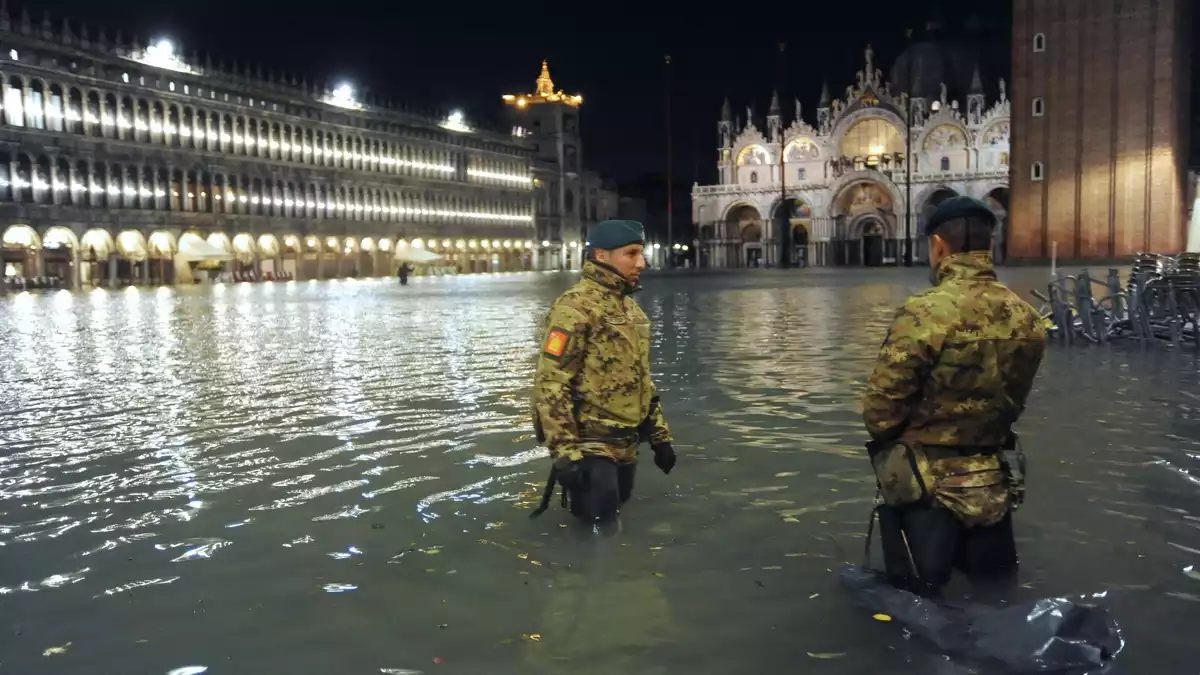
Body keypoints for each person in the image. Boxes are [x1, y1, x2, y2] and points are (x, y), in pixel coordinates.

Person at [862, 195, 1047, 598]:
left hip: (927, 494)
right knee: (995, 597)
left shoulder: (923, 312)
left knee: (918, 609)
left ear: (938, 246)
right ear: (990, 246)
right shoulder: (1026, 317)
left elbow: (879, 414)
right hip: (994, 486)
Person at [531, 219, 676, 524]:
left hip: (627, 442)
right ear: (601, 256)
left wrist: (660, 436)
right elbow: (551, 382)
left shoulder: (631, 311)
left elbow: (641, 378)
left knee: (614, 515)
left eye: (642, 253)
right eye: (632, 253)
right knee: (599, 526)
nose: (642, 262)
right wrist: (565, 454)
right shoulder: (574, 308)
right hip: (589, 443)